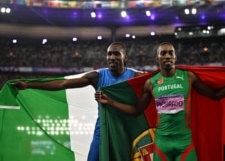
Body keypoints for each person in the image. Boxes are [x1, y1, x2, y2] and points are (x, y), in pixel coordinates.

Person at [95, 42, 225, 161]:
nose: (167, 56)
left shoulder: (188, 77)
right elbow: (136, 110)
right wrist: (110, 102)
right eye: (163, 53)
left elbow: (215, 96)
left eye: (171, 53)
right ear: (158, 58)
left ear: (175, 57)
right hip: (162, 145)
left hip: (185, 144)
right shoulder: (151, 83)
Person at [12, 42, 144, 161]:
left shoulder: (136, 77)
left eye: (116, 54)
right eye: (109, 54)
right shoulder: (98, 76)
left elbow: (158, 85)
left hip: (124, 131)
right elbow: (63, 84)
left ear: (125, 57)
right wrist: (28, 85)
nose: (112, 57)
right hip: (102, 130)